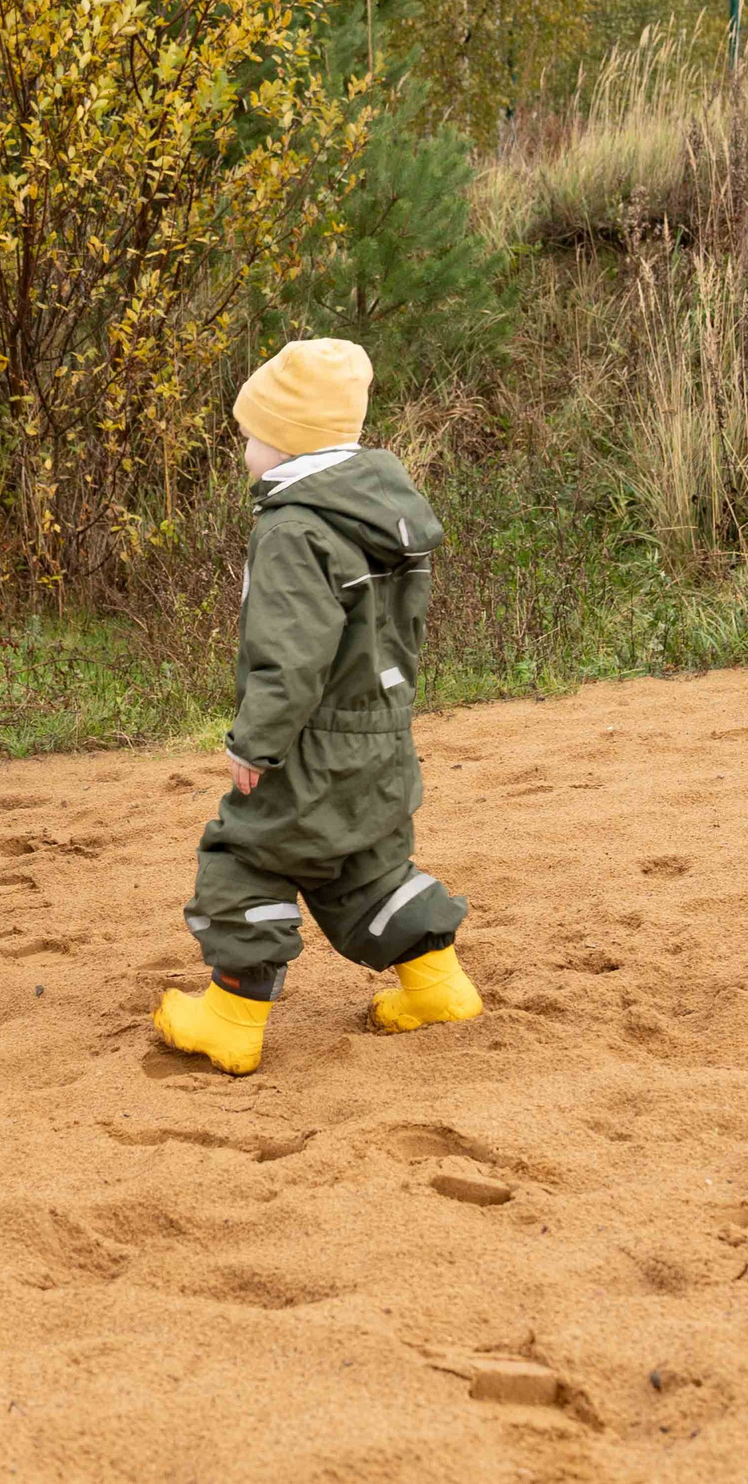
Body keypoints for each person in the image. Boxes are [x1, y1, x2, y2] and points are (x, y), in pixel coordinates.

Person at [153, 338, 482, 1076]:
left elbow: (291, 656)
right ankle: (436, 987)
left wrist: (255, 744)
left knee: (245, 854)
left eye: (251, 437)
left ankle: (232, 1019)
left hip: (308, 740)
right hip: (382, 731)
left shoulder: (294, 530)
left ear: (287, 441)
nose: (244, 451)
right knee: (362, 861)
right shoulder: (385, 517)